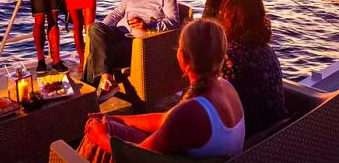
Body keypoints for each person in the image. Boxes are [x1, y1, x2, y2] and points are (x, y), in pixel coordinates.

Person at [81, 19, 245, 158]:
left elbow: (139, 156)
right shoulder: (227, 88)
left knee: (94, 134)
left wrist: (102, 137)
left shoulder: (193, 111)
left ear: (181, 58)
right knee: (105, 123)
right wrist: (117, 118)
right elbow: (165, 119)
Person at [83, 0, 179, 99]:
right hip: (120, 32)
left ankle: (90, 93)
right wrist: (102, 31)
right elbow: (116, 13)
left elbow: (173, 22)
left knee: (97, 53)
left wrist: (148, 26)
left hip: (138, 42)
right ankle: (106, 80)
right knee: (94, 28)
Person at [219, 0, 287, 136]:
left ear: (230, 18)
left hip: (251, 138)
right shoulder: (267, 49)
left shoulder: (232, 56)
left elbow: (215, 103)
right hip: (277, 132)